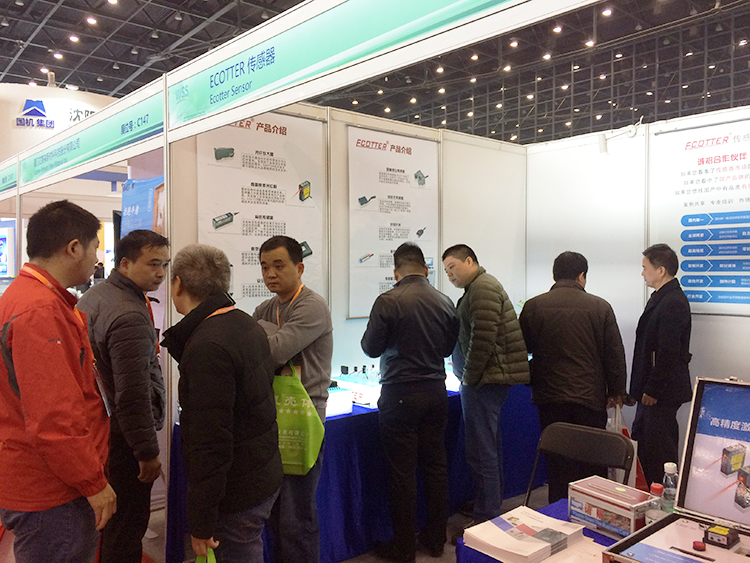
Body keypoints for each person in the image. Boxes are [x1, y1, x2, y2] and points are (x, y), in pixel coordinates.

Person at [0, 200, 116, 563]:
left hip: (46, 479)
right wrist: (93, 483)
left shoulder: (30, 299)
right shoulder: (40, 311)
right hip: (54, 489)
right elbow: (54, 418)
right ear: (74, 248)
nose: (97, 258)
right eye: (95, 247)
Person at [162, 244, 283, 563]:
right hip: (258, 472)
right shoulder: (243, 322)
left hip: (237, 488)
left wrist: (201, 520)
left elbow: (210, 444)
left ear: (178, 284)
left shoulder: (208, 346)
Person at [361, 242, 459, 563]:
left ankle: (403, 549)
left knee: (402, 473)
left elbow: (370, 348)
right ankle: (435, 540)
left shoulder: (388, 301)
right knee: (436, 467)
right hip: (436, 391)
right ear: (426, 269)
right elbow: (447, 349)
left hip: (400, 393)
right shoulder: (445, 301)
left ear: (396, 272)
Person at [78, 229, 169, 563]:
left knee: (110, 525)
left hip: (100, 429)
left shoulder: (97, 296)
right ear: (126, 264)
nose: (160, 273)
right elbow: (132, 394)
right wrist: (146, 453)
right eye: (153, 264)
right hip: (123, 439)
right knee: (127, 527)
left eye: (165, 265)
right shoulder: (128, 313)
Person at [519, 251, 628, 503]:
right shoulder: (600, 307)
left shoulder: (534, 306)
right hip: (589, 397)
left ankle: (558, 510)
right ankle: (592, 510)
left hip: (549, 397)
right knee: (592, 459)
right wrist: (616, 391)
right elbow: (614, 353)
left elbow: (523, 346)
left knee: (557, 460)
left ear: (554, 276)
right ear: (581, 276)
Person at [253, 235, 333, 563]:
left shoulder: (311, 305)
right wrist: (267, 335)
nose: (270, 274)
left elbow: (272, 352)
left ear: (299, 268)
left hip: (305, 415)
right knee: (272, 509)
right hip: (272, 412)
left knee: (297, 512)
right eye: (264, 267)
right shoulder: (265, 307)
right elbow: (251, 351)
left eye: (279, 265)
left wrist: (264, 333)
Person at [442, 244, 529, 530]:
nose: (449, 275)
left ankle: (486, 516)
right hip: (485, 379)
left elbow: (483, 339)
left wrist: (468, 378)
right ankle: (488, 503)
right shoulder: (477, 288)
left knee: (481, 450)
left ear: (470, 261)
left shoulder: (482, 288)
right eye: (446, 271)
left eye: (452, 267)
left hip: (483, 381)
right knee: (487, 446)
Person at [630, 243, 692, 485]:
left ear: (661, 270)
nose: (642, 273)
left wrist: (653, 390)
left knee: (659, 451)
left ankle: (665, 499)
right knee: (646, 446)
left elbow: (668, 353)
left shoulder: (673, 301)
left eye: (645, 268)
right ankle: (653, 494)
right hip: (651, 389)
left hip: (661, 393)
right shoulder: (661, 297)